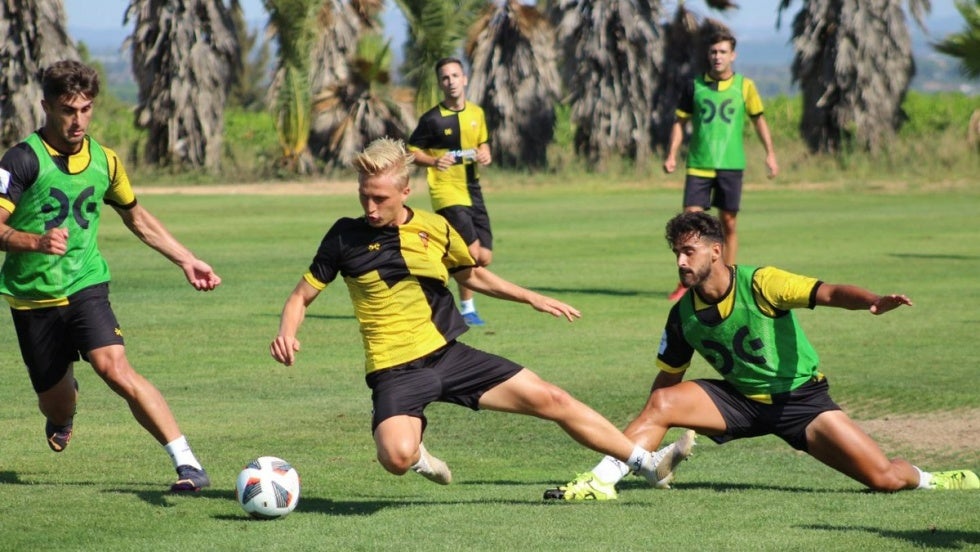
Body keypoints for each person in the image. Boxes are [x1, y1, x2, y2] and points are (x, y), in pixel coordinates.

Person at [269, 137, 690, 494]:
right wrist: (287, 332)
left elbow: (471, 274)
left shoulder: (435, 228)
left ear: (404, 191)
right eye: (364, 195)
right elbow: (300, 297)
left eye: (379, 197)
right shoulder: (344, 235)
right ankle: (420, 454)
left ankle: (646, 463)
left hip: (449, 357)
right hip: (394, 371)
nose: (371, 206)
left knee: (553, 398)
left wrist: (531, 297)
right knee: (396, 457)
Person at [545, 211, 979, 500]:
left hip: (801, 402)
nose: (680, 260)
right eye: (676, 252)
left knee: (883, 478)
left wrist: (871, 300)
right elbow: (666, 383)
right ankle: (603, 480)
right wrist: (644, 432)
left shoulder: (761, 283)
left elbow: (826, 292)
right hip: (738, 402)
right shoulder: (682, 315)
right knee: (662, 402)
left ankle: (931, 478)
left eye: (688, 251)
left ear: (716, 251)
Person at [0, 60, 220, 492]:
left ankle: (187, 464)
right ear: (46, 106)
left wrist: (186, 259)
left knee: (114, 366)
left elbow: (137, 218)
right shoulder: (20, 160)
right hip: (33, 298)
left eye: (85, 109)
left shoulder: (106, 161)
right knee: (56, 405)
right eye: (68, 109)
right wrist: (35, 241)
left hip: (86, 284)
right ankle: (64, 410)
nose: (78, 119)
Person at [663, 30, 779, 301]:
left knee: (728, 222)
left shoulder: (745, 86)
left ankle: (726, 278)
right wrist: (671, 154)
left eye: (723, 51)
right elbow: (679, 122)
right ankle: (687, 282)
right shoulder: (694, 86)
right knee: (690, 223)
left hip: (731, 164)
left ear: (733, 55)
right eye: (714, 52)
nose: (718, 56)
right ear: (709, 55)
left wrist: (770, 154)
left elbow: (759, 120)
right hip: (699, 164)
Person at [407, 57, 493, 326]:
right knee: (471, 254)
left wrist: (485, 153)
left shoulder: (476, 113)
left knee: (485, 257)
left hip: (472, 190)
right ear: (440, 83)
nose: (451, 81)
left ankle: (430, 273)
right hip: (446, 192)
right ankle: (467, 308)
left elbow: (484, 144)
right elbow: (411, 152)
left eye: (455, 76)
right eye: (445, 78)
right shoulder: (432, 119)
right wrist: (433, 161)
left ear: (464, 79)